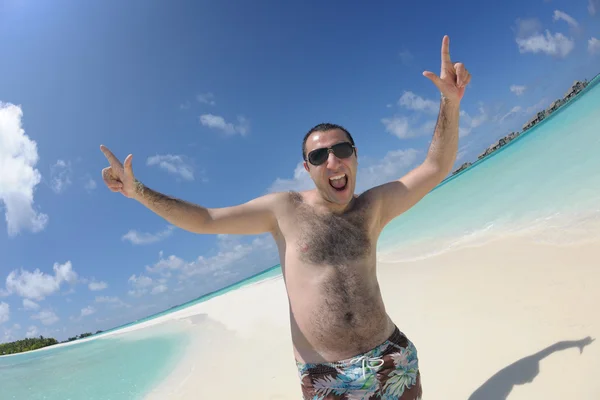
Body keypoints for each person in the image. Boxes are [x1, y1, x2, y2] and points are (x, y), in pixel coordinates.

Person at [100, 35, 471, 399]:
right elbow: (207, 220)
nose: (332, 161)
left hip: (392, 357)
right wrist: (139, 192)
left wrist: (449, 103)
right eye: (318, 156)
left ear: (355, 157)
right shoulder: (284, 211)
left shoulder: (373, 206)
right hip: (329, 379)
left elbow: (435, 167)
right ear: (307, 169)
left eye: (341, 150)